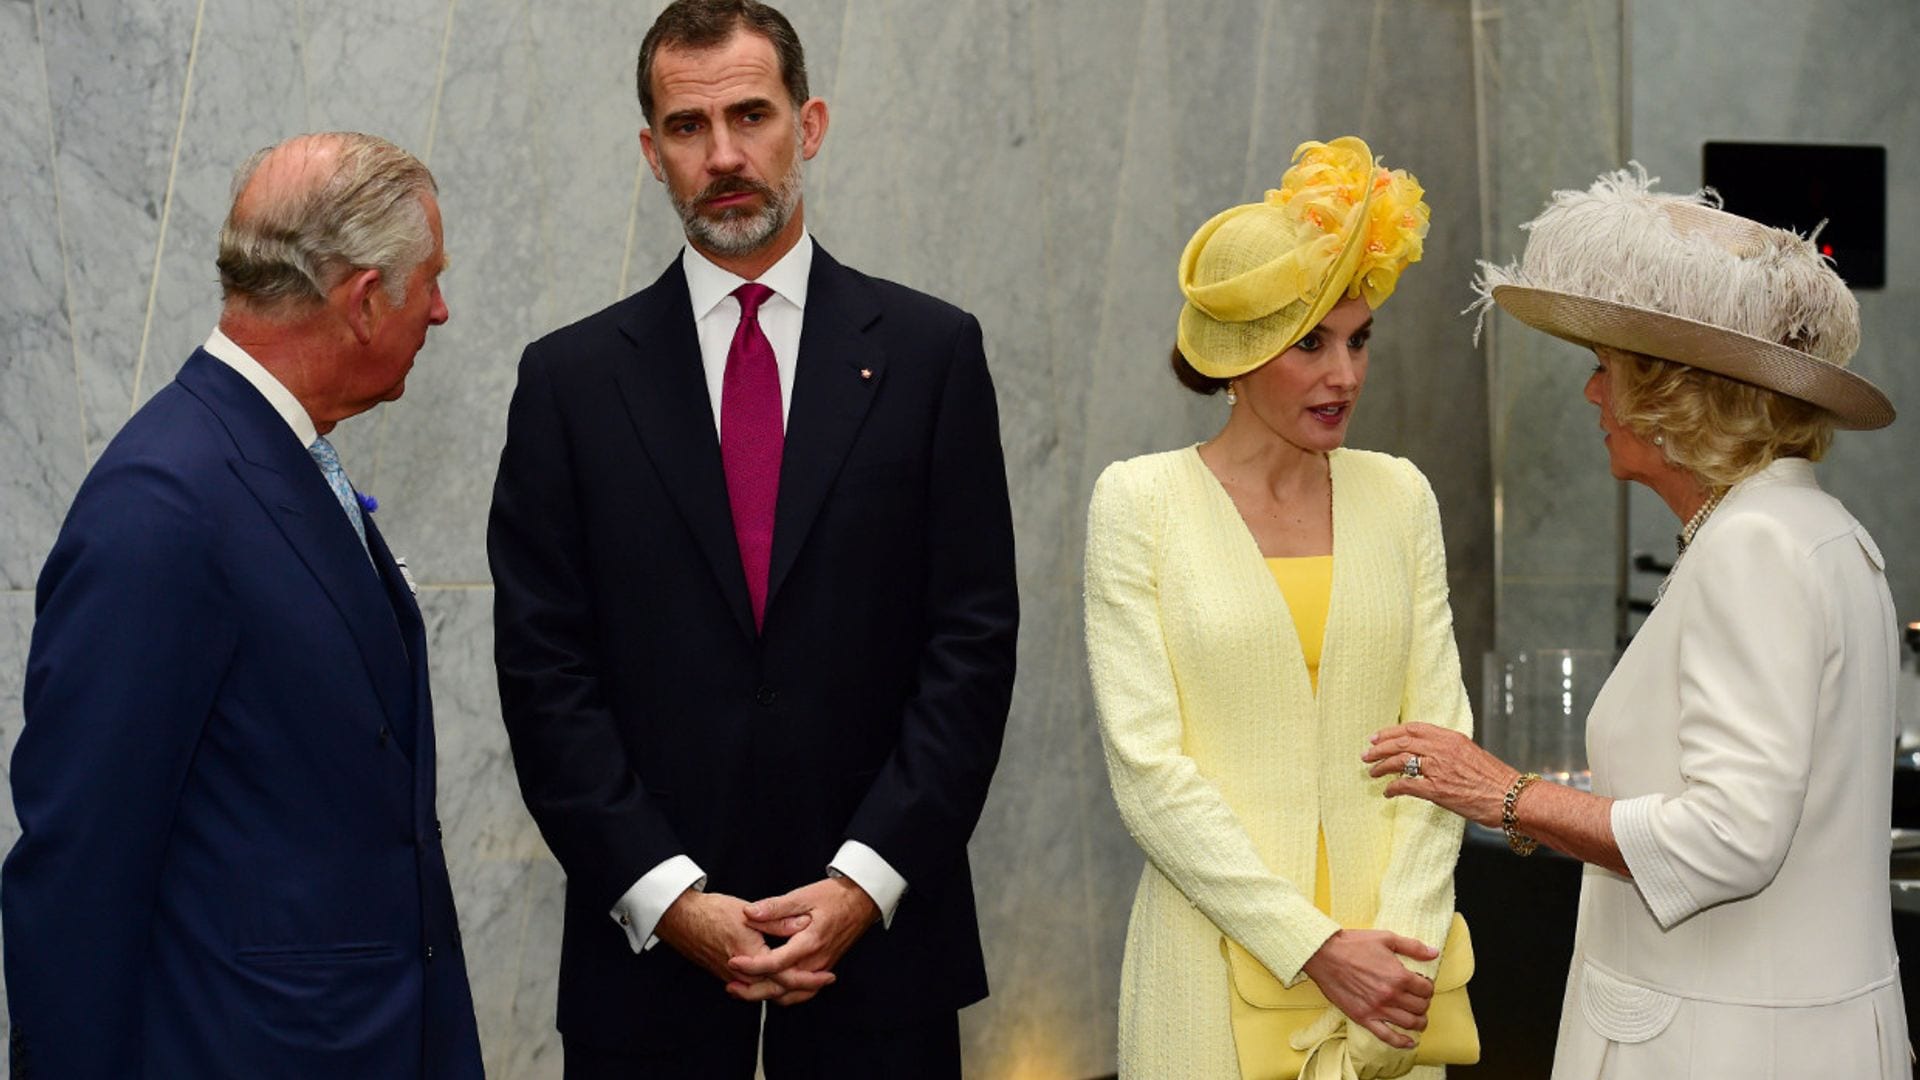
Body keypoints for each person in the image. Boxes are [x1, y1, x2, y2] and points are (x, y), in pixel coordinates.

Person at [485, 1, 1019, 1075]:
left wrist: (864, 881)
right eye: (687, 128)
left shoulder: (930, 355)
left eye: (751, 114)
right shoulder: (569, 383)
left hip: (881, 963)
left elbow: (970, 644)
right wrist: (667, 896)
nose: (723, 155)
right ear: (651, 153)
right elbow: (546, 675)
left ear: (808, 125)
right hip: (648, 980)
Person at [1369, 167, 1909, 1077]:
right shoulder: (1817, 530)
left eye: (1604, 371)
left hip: (1722, 1047)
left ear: (1674, 397)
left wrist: (1504, 794)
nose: (1590, 397)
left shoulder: (1755, 546)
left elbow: (1729, 839)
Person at [2, 132, 481, 1078]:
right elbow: (80, 872)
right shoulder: (161, 505)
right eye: (428, 280)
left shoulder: (272, 452)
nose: (440, 309)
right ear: (363, 300)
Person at [1084, 136, 1470, 1078]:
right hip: (1209, 965)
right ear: (1240, 350)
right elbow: (1148, 770)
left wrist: (1401, 957)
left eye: (1359, 339)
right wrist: (1313, 946)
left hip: (1393, 983)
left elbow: (1442, 738)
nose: (1345, 375)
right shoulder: (1140, 503)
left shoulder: (1401, 494)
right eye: (1311, 343)